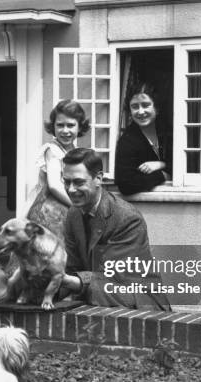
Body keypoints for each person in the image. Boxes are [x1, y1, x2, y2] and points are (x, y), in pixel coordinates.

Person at [60, 148, 171, 310]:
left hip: (139, 302)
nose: (70, 190)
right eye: (66, 181)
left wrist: (69, 281)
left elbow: (116, 280)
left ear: (98, 178)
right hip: (100, 298)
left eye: (78, 182)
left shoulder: (127, 218)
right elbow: (72, 268)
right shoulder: (73, 214)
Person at [26, 100, 90, 239]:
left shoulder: (74, 151)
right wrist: (77, 206)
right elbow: (54, 185)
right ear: (53, 127)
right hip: (49, 209)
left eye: (71, 125)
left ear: (79, 127)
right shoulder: (52, 150)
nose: (65, 131)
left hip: (65, 205)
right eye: (60, 125)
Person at [114, 82, 172, 195]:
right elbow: (125, 184)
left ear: (157, 108)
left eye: (145, 105)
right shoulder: (127, 140)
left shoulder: (169, 132)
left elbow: (188, 166)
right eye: (135, 107)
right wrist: (162, 175)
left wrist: (161, 165)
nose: (140, 112)